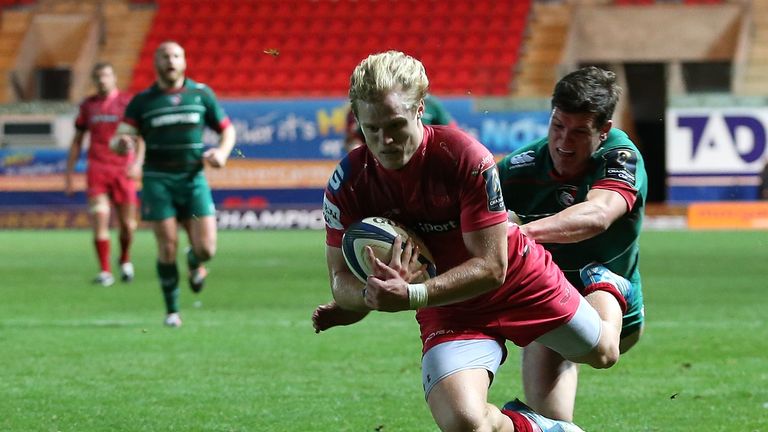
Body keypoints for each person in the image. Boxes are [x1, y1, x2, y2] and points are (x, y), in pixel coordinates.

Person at [313, 51, 626, 432]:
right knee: (464, 423)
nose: (385, 140)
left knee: (605, 352)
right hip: (447, 304)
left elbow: (493, 268)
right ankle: (546, 428)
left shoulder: (465, 157)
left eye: (395, 124)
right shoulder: (347, 183)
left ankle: (605, 283)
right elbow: (339, 278)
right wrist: (368, 297)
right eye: (371, 129)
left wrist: (410, 295)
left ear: (420, 110)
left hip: (517, 280)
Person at [498, 66, 646, 422]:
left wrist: (522, 232)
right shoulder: (520, 168)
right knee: (554, 425)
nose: (564, 143)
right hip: (549, 299)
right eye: (557, 126)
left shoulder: (621, 157)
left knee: (602, 346)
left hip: (609, 292)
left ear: (604, 131)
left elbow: (596, 216)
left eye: (579, 132)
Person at [111, 41, 236, 328]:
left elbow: (227, 130)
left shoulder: (201, 94)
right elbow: (118, 139)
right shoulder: (143, 101)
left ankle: (193, 261)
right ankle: (172, 310)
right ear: (156, 62)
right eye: (165, 56)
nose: (171, 60)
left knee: (207, 249)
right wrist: (121, 143)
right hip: (158, 180)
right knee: (166, 246)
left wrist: (221, 153)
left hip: (193, 179)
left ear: (184, 61)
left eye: (176, 55)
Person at [65, 62, 137, 287]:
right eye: (98, 77)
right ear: (94, 81)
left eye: (106, 75)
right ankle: (105, 271)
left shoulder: (127, 103)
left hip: (123, 169)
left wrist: (137, 161)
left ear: (114, 77)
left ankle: (124, 258)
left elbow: (140, 136)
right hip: (97, 169)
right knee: (100, 217)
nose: (102, 80)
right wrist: (69, 175)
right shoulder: (88, 106)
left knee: (127, 225)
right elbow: (77, 141)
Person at [343, 92, 456, 153]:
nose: (387, 139)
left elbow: (453, 133)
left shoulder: (431, 103)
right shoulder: (371, 105)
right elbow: (354, 140)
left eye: (397, 124)